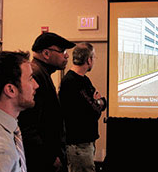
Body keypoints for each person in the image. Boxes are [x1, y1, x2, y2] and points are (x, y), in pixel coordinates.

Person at [18, 32, 75, 172]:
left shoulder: (42, 73)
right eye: (62, 51)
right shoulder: (36, 76)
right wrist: (49, 157)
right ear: (46, 53)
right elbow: (28, 125)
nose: (67, 55)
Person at [59, 42, 107, 172]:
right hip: (78, 146)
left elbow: (102, 103)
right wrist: (98, 103)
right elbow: (94, 110)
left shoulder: (84, 80)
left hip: (86, 143)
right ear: (88, 60)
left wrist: (99, 103)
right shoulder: (71, 82)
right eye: (94, 58)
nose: (94, 61)